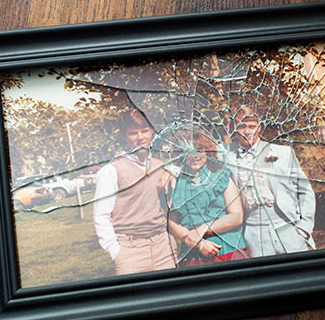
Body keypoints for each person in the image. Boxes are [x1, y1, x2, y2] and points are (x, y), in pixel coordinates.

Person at [221, 105, 316, 257]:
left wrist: (303, 228)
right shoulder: (225, 154)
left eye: (252, 126)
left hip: (287, 227)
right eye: (241, 126)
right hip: (251, 232)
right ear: (233, 127)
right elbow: (197, 154)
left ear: (259, 127)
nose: (247, 131)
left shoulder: (282, 153)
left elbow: (304, 190)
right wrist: (170, 170)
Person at [93, 109, 175, 275]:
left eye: (145, 131)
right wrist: (116, 252)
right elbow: (101, 216)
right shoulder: (111, 170)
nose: (140, 137)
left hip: (164, 248)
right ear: (124, 136)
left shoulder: (160, 165)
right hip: (130, 251)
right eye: (133, 133)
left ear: (152, 132)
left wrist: (173, 173)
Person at [167, 131, 248, 267]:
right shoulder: (177, 181)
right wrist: (198, 243)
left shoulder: (221, 176)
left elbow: (236, 216)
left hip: (229, 248)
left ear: (207, 152)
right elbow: (173, 222)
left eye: (199, 150)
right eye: (188, 151)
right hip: (194, 253)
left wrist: (203, 229)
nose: (194, 156)